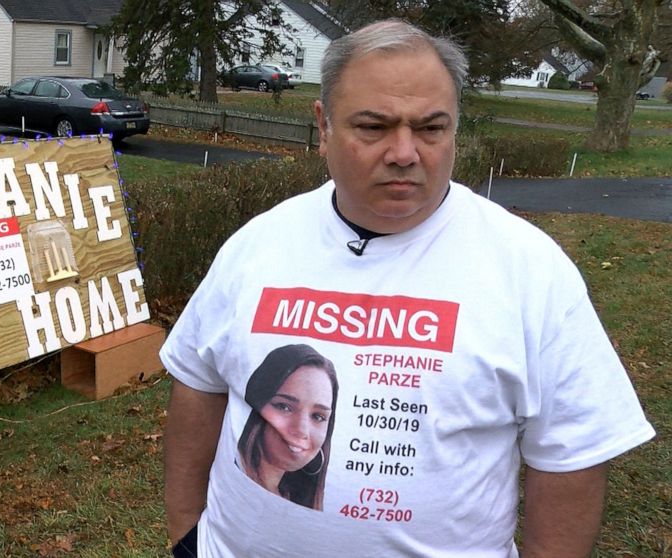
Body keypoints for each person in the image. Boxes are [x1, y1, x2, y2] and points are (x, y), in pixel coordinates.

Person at [161, 18, 655, 558]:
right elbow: (198, 382)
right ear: (323, 126)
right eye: (373, 127)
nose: (404, 152)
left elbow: (573, 455)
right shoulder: (259, 244)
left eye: (430, 128)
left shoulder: (529, 270)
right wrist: (188, 535)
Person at [238, 344, 338, 510]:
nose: (301, 430)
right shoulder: (237, 482)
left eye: (318, 416)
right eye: (284, 407)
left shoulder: (294, 497)